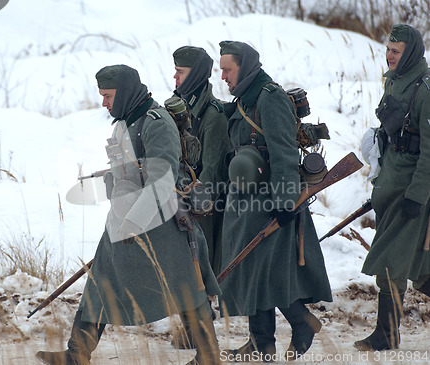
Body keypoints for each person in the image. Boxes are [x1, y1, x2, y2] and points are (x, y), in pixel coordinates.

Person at [36, 64, 221, 365]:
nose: (104, 103)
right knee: (100, 283)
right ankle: (76, 354)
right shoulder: (124, 122)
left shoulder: (156, 122)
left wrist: (134, 220)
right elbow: (131, 173)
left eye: (108, 96)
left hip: (164, 225)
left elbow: (162, 180)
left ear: (123, 92)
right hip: (125, 221)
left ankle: (209, 357)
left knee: (188, 288)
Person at [217, 40, 332, 361]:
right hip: (245, 200)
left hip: (270, 200)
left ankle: (301, 322)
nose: (223, 76)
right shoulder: (243, 99)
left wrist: (284, 202)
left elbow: (283, 152)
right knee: (253, 267)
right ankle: (261, 342)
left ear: (245, 66)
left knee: (264, 269)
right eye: (221, 69)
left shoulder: (270, 97)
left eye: (227, 69)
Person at [355, 24, 430, 352]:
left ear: (410, 52)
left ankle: (386, 334)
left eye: (395, 51)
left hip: (410, 191)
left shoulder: (425, 90)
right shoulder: (393, 82)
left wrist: (417, 195)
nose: (388, 55)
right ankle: (387, 333)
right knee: (418, 267)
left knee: (391, 260)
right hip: (389, 184)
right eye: (387, 49)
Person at [168, 45, 231, 350]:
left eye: (180, 72)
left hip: (201, 204)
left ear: (194, 74)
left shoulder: (212, 114)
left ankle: (200, 335)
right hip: (178, 197)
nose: (175, 77)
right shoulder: (175, 106)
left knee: (198, 269)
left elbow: (214, 168)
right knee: (182, 266)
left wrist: (193, 200)